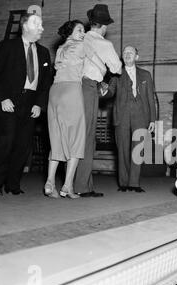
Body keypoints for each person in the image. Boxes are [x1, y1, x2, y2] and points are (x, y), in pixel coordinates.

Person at [0, 13, 52, 196]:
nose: (41, 28)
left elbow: (45, 83)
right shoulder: (7, 46)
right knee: (6, 142)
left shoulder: (44, 52)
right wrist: (2, 99)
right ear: (25, 26)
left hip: (30, 104)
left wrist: (39, 104)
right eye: (37, 24)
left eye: (41, 24)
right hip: (8, 103)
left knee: (23, 145)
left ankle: (13, 184)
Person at [74, 4, 122, 197]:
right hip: (89, 88)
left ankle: (84, 184)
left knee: (80, 136)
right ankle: (80, 187)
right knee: (87, 137)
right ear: (104, 26)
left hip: (73, 87)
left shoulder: (81, 38)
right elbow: (117, 68)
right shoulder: (104, 43)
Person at [103, 46, 156, 192]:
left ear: (136, 57)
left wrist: (152, 119)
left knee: (137, 150)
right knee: (122, 149)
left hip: (141, 115)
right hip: (122, 115)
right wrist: (102, 87)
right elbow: (110, 92)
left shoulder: (146, 75)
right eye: (125, 53)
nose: (127, 54)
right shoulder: (116, 75)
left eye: (130, 52)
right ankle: (124, 183)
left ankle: (134, 183)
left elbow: (151, 98)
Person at [44, 20, 86, 199]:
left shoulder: (60, 48)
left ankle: (50, 181)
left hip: (54, 92)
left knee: (57, 139)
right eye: (80, 30)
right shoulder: (82, 46)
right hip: (71, 90)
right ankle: (67, 186)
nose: (83, 33)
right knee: (76, 138)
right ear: (70, 32)